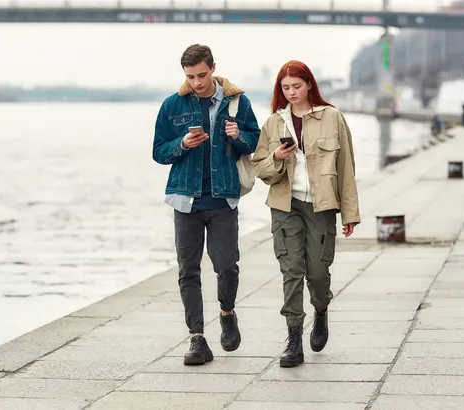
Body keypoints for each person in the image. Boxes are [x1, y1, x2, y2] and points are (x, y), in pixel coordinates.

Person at [152, 44, 260, 366]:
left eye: (201, 75)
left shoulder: (237, 103)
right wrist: (182, 143)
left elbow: (254, 140)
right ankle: (197, 339)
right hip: (185, 201)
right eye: (190, 77)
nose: (196, 82)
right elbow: (159, 150)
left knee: (226, 266)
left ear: (213, 68)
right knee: (188, 271)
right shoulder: (173, 105)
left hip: (224, 198)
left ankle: (227, 313)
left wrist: (238, 134)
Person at [252, 60, 360, 368]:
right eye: (285, 88)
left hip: (320, 206)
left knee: (317, 272)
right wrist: (275, 156)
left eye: (296, 86)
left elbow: (346, 168)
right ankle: (293, 339)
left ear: (309, 84)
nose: (291, 93)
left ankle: (321, 310)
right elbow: (259, 166)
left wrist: (349, 212)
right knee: (292, 271)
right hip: (285, 205)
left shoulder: (332, 117)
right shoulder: (275, 122)